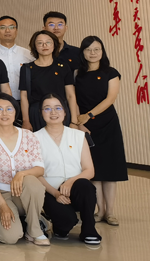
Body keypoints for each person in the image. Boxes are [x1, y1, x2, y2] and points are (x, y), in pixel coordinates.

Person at [0, 93, 48, 246]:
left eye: (9, 109)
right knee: (10, 238)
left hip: (23, 192)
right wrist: (2, 205)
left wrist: (21, 174)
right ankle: (26, 220)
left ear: (15, 111)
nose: (4, 113)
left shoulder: (29, 136)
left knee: (32, 182)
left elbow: (40, 169)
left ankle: (34, 229)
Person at [34, 95, 101, 244]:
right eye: (47, 109)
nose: (53, 112)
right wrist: (55, 193)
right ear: (41, 113)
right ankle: (58, 224)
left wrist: (70, 182)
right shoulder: (34, 138)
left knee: (85, 185)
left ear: (65, 112)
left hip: (75, 188)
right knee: (66, 222)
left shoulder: (78, 136)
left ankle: (89, 229)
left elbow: (89, 170)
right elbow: (36, 174)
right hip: (50, 191)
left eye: (58, 108)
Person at [75, 36, 127, 227]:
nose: (93, 53)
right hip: (86, 127)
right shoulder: (77, 74)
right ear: (82, 52)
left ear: (102, 51)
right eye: (88, 49)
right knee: (94, 170)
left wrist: (88, 115)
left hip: (107, 124)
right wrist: (79, 122)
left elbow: (110, 98)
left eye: (97, 49)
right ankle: (100, 210)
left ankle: (110, 212)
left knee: (110, 170)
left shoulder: (111, 73)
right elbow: (73, 99)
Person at [19, 30, 79, 131]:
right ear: (34, 46)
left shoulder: (63, 67)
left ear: (54, 45)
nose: (44, 45)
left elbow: (71, 95)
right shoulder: (27, 69)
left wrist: (74, 121)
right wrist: (26, 121)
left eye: (48, 42)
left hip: (60, 112)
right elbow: (24, 97)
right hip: (37, 113)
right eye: (40, 43)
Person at [0, 16, 34, 100]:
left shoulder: (29, 55)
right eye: (2, 27)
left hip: (26, 101)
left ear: (16, 31)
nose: (7, 30)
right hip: (0, 102)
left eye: (12, 27)